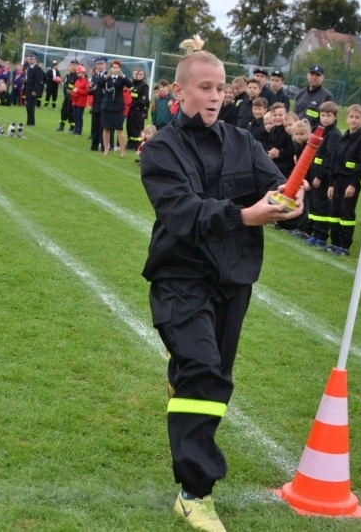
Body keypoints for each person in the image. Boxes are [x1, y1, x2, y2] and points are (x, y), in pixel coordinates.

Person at [140, 34, 303, 532]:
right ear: (180, 93)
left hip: (234, 279)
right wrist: (247, 215)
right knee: (206, 373)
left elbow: (275, 190)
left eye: (220, 90)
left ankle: (183, 367)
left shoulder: (244, 143)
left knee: (207, 376)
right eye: (204, 88)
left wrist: (290, 205)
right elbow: (185, 213)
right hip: (180, 276)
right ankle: (195, 492)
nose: (214, 97)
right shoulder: (161, 148)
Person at [324, 104, 361, 256]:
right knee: (335, 212)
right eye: (351, 117)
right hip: (337, 181)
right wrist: (331, 183)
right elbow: (334, 161)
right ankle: (334, 243)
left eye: (357, 117)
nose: (354, 120)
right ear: (347, 119)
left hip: (350, 183)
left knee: (346, 214)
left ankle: (344, 246)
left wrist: (352, 184)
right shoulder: (343, 138)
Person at [304, 101, 342, 248]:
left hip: (324, 177)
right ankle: (314, 233)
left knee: (323, 206)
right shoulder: (320, 131)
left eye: (329, 115)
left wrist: (320, 175)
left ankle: (321, 236)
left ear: (335, 116)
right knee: (315, 204)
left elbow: (330, 157)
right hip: (315, 174)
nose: (325, 118)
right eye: (323, 115)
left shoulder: (333, 134)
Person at [101, 60, 133, 157]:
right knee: (106, 128)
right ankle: (106, 149)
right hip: (107, 106)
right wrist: (107, 77)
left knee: (119, 129)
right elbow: (99, 84)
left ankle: (122, 151)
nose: (115, 69)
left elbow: (130, 84)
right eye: (113, 67)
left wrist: (123, 76)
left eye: (117, 67)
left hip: (118, 107)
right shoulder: (107, 77)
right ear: (111, 68)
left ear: (120, 69)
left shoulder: (122, 78)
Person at [294, 65, 334, 129]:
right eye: (312, 74)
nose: (314, 77)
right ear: (307, 75)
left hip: (314, 135)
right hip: (298, 133)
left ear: (323, 78)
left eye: (317, 75)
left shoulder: (327, 96)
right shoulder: (300, 93)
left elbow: (331, 121)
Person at [127, 68, 151, 149]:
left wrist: (134, 104)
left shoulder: (144, 86)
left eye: (141, 74)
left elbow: (143, 100)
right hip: (131, 110)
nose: (139, 76)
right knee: (129, 126)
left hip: (138, 110)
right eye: (138, 74)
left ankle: (137, 145)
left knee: (137, 128)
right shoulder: (133, 85)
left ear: (144, 76)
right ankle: (130, 143)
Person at [88, 56, 108, 151]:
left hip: (105, 105)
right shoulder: (94, 77)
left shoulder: (108, 76)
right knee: (95, 126)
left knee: (103, 127)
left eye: (101, 64)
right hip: (96, 105)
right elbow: (92, 92)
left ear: (105, 65)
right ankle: (94, 145)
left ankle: (104, 146)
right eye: (98, 64)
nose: (99, 66)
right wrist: (90, 90)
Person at [57, 62, 78, 132]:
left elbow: (76, 86)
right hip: (67, 96)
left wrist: (71, 90)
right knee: (63, 110)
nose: (72, 66)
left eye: (74, 65)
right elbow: (67, 85)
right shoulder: (69, 75)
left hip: (73, 96)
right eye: (71, 65)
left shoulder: (77, 76)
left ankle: (72, 126)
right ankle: (61, 125)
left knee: (70, 112)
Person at [70, 65, 90, 135]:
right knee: (75, 116)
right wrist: (73, 92)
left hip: (81, 102)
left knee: (79, 116)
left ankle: (79, 130)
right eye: (77, 73)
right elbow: (74, 90)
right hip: (75, 101)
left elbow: (86, 92)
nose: (78, 74)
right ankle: (75, 129)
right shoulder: (77, 81)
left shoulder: (86, 82)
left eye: (79, 73)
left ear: (83, 73)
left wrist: (78, 90)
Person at [24, 55, 41, 126]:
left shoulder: (38, 68)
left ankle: (32, 121)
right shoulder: (29, 68)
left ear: (35, 60)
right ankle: (29, 121)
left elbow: (38, 81)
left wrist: (35, 91)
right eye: (29, 59)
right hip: (28, 89)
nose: (30, 60)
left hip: (33, 91)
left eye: (32, 59)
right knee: (28, 106)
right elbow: (29, 80)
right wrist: (25, 82)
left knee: (31, 106)